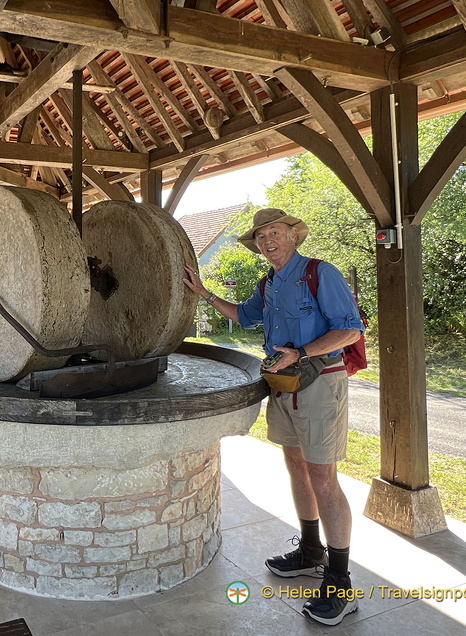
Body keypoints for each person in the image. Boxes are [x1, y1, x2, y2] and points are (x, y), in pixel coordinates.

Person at [183, 208, 364, 627]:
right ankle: (309, 550)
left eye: (275, 233)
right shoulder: (268, 284)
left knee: (324, 477)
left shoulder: (321, 273)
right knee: (296, 467)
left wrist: (301, 353)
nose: (268, 241)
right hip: (283, 386)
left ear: (294, 236)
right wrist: (204, 293)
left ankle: (340, 582)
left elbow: (350, 330)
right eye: (261, 236)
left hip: (320, 383)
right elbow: (245, 317)